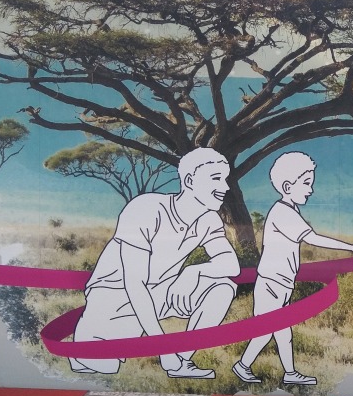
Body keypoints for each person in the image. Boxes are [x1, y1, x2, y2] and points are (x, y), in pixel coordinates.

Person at [70, 147, 240, 379]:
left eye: (225, 179)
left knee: (223, 287)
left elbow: (231, 265)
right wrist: (161, 346)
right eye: (216, 178)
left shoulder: (209, 220)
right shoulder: (145, 209)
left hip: (161, 291)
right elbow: (134, 284)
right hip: (114, 295)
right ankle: (90, 342)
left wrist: (194, 271)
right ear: (190, 181)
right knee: (103, 366)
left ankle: (181, 361)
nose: (225, 187)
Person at [233, 151, 353, 386]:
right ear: (288, 186)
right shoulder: (283, 213)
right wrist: (352, 247)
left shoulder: (289, 210)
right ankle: (243, 365)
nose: (311, 190)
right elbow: (314, 238)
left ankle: (288, 373)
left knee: (282, 330)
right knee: (266, 330)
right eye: (307, 183)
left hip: (281, 282)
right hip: (272, 282)